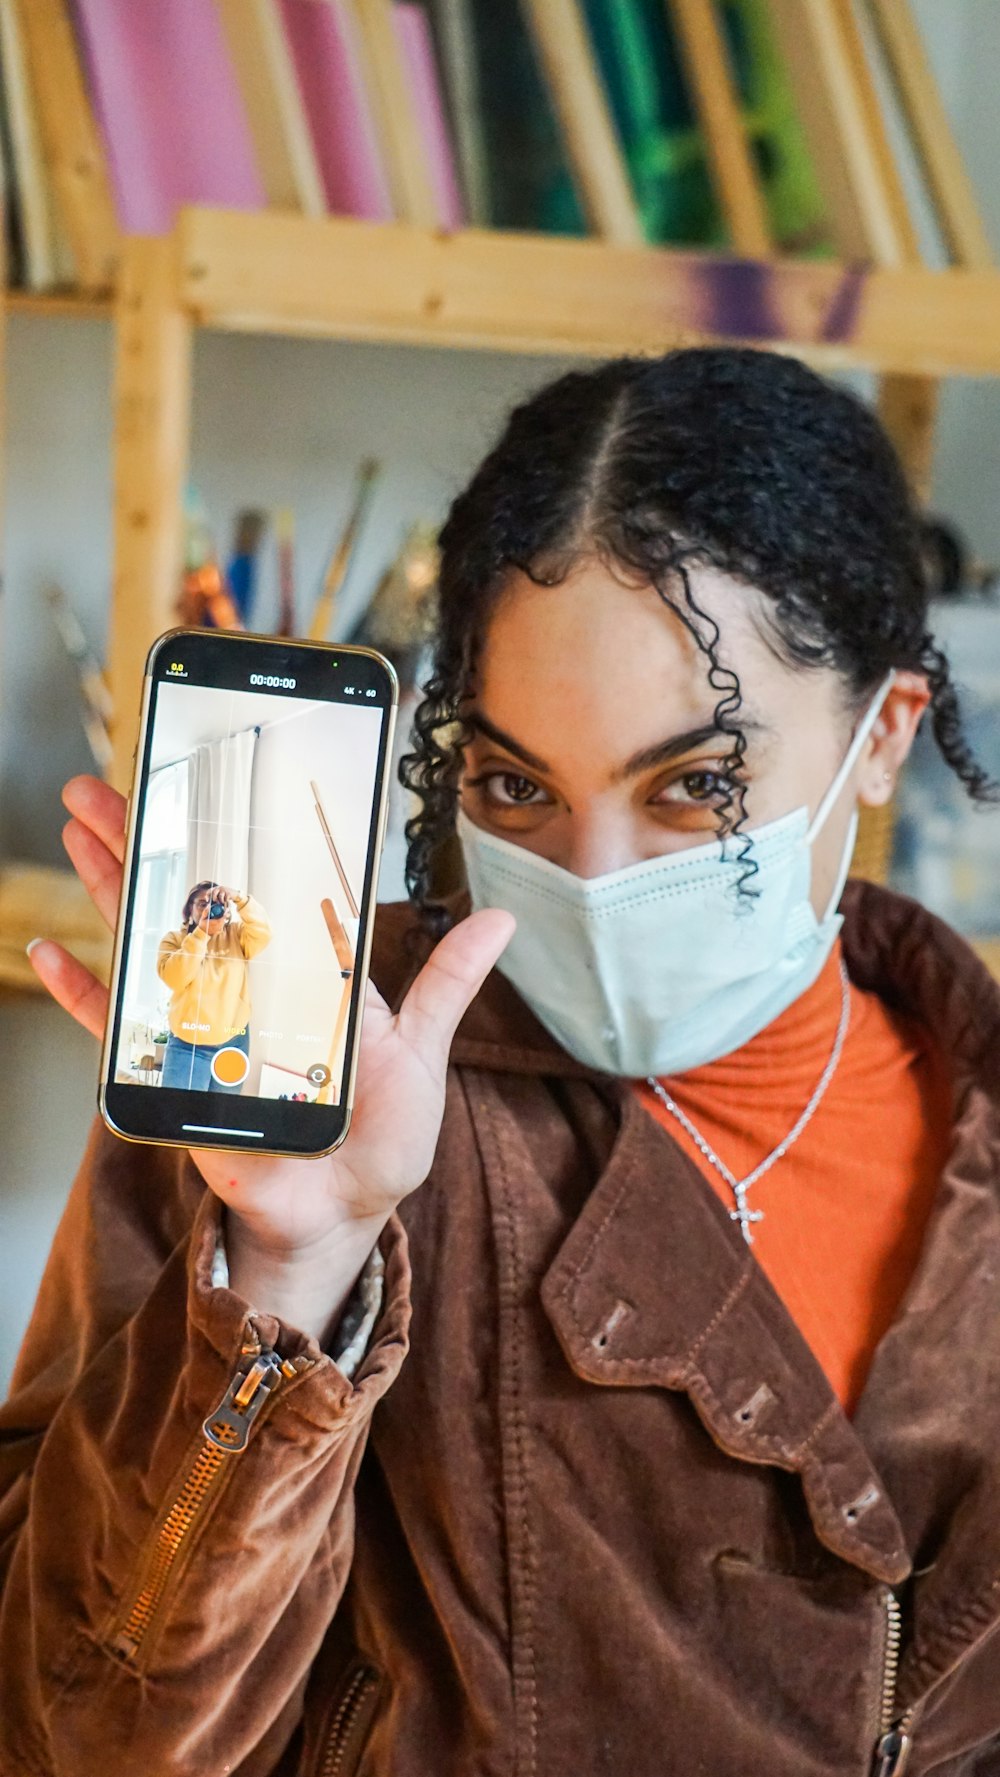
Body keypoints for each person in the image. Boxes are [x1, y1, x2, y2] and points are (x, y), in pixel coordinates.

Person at [5, 348, 1000, 1777]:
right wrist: (292, 1278)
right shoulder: (304, 1074)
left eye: (699, 784)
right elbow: (76, 1736)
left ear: (885, 734)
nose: (589, 876)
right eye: (517, 784)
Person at [156, 879, 271, 1091]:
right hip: (187, 1046)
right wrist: (202, 934)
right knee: (178, 1115)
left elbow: (264, 932)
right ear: (189, 909)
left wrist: (237, 896)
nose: (209, 908)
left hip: (233, 1043)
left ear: (226, 912)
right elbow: (175, 978)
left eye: (217, 903)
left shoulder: (237, 935)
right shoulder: (174, 939)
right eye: (202, 903)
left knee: (221, 1116)